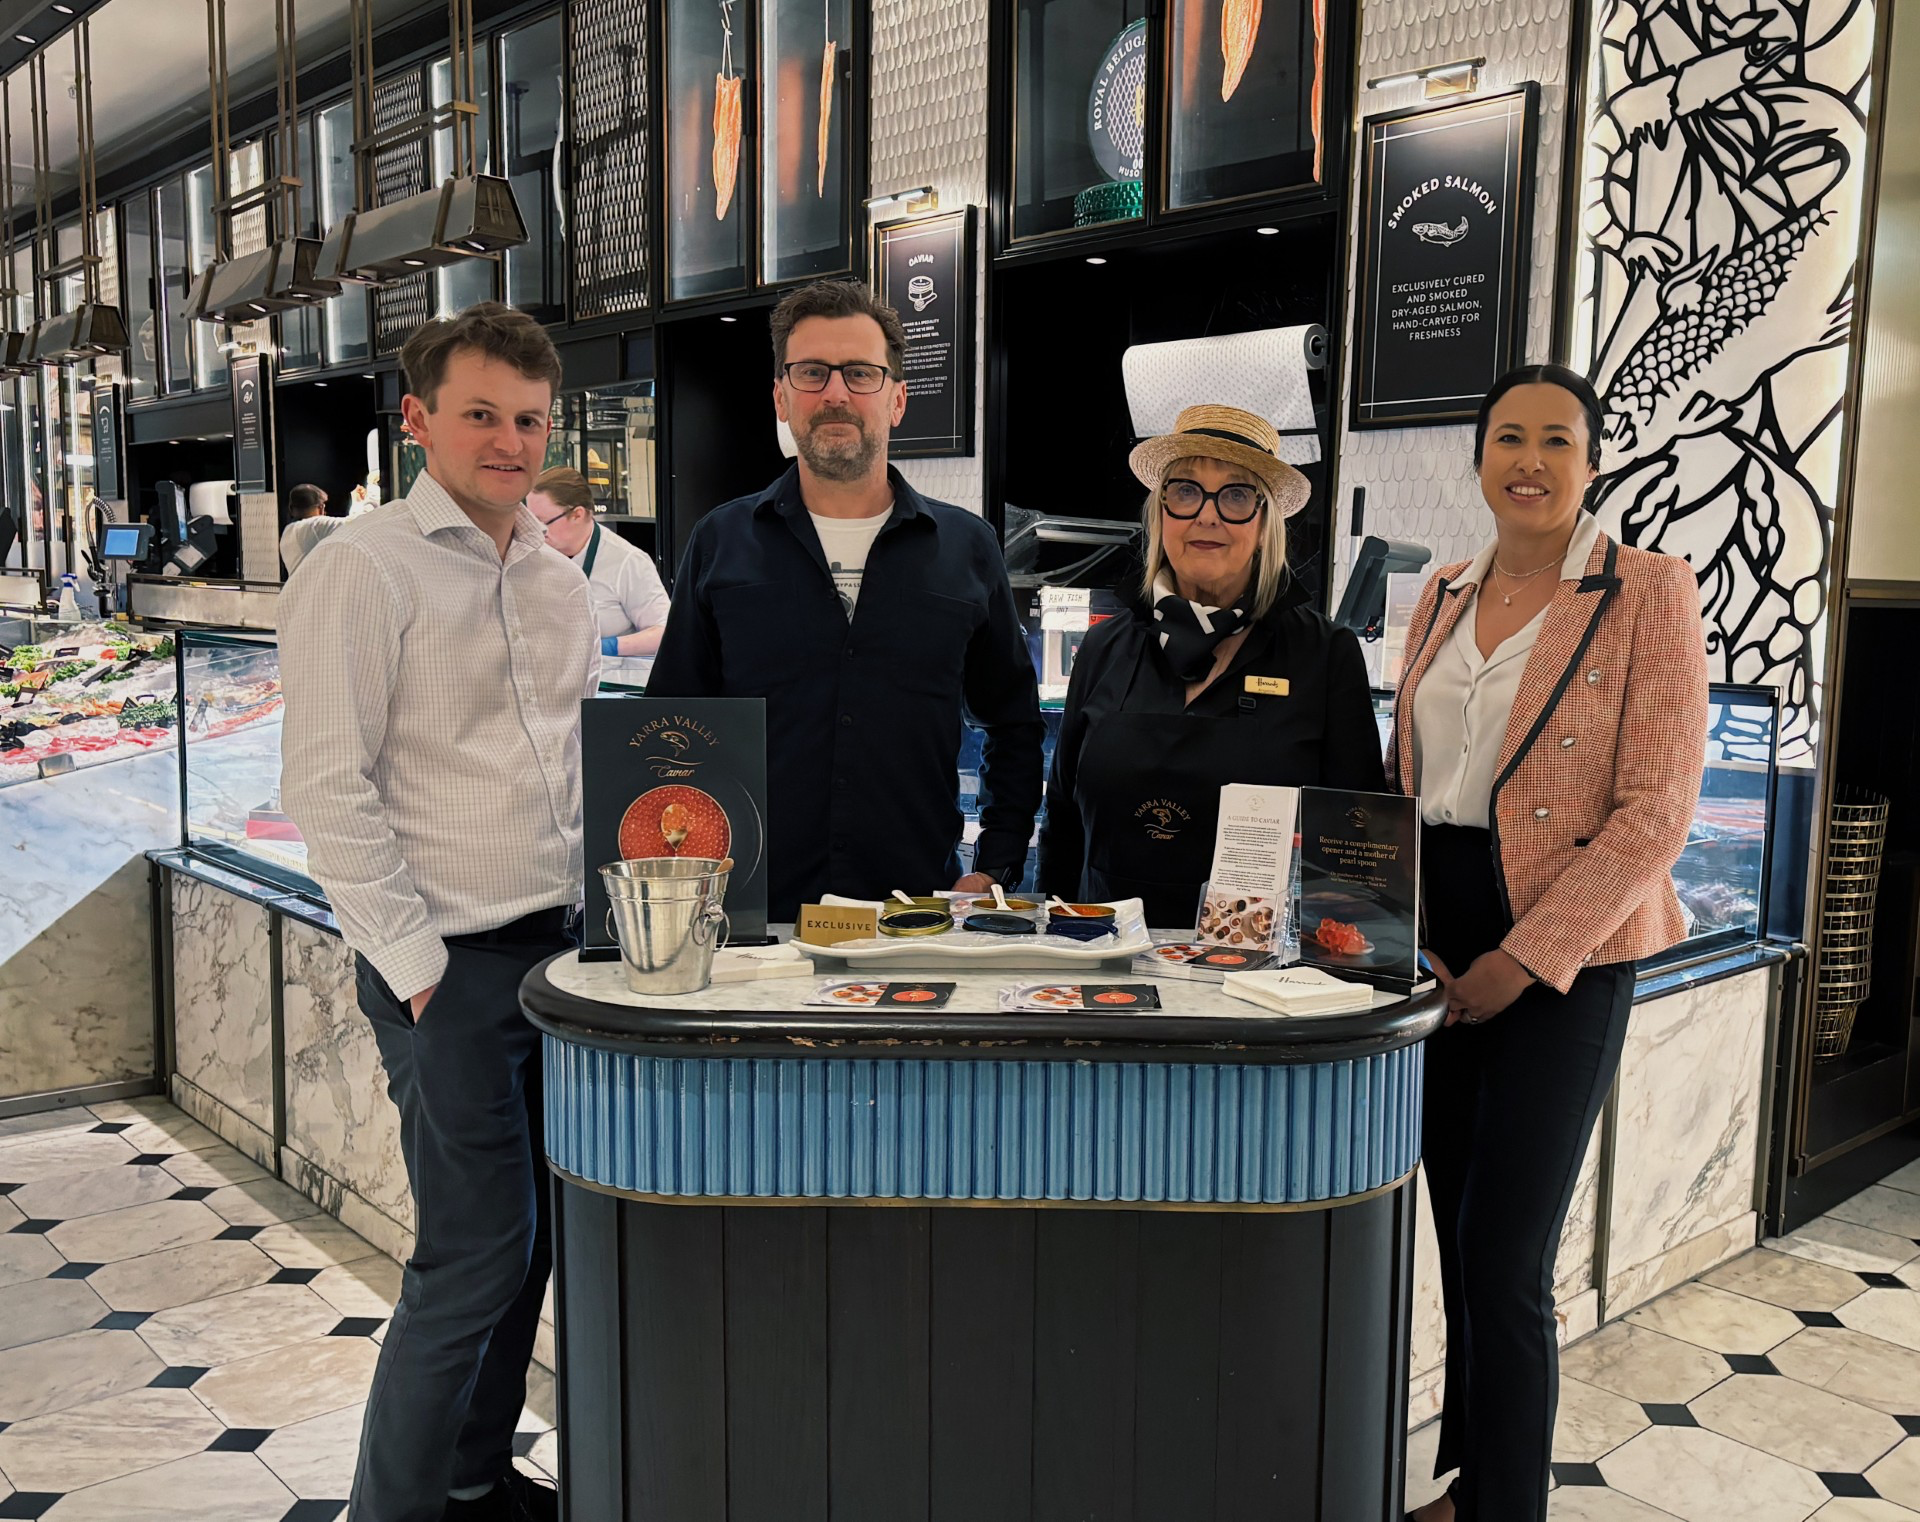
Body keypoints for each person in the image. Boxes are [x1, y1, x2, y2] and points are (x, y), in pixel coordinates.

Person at [279, 302, 597, 1522]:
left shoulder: (560, 581)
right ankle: (395, 1508)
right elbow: (323, 786)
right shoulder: (362, 567)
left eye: (526, 418)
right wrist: (418, 970)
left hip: (554, 957)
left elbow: (562, 768)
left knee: (533, 1250)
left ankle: (471, 1477)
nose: (509, 441)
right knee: (470, 1258)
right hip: (446, 969)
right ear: (418, 422)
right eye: (481, 414)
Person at [1392, 364, 1708, 1522]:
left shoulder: (1649, 590)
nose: (1529, 460)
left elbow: (1657, 812)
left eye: (1556, 441)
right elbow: (1408, 782)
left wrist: (1523, 959)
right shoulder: (1439, 591)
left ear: (1592, 461)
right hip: (1439, 934)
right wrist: (1407, 931)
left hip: (1570, 947)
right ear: (1480, 457)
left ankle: (1506, 1507)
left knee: (1505, 1254)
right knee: (1453, 1220)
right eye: (1508, 437)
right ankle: (1475, 1483)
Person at [647, 279, 1043, 919]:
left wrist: (996, 864)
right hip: (749, 915)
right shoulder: (720, 541)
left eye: (860, 373)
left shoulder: (967, 548)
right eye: (811, 373)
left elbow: (1016, 724)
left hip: (913, 915)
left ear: (897, 399)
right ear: (781, 396)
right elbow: (669, 729)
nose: (835, 393)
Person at [1040, 404, 1384, 926]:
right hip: (1105, 964)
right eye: (1184, 492)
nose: (1207, 515)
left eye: (1236, 496)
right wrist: (1054, 945)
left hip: (1257, 983)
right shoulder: (1104, 648)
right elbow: (1063, 820)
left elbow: (1354, 843)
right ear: (1160, 514)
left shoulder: (1324, 654)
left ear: (1266, 524)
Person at [528, 465, 670, 657]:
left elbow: (665, 632)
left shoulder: (628, 561)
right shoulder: (530, 554)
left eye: (542, 522)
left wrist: (605, 648)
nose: (537, 531)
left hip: (607, 679)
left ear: (577, 514)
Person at [279, 482, 339, 576]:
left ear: (291, 508)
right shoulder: (314, 525)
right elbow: (354, 522)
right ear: (321, 507)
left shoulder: (288, 531)